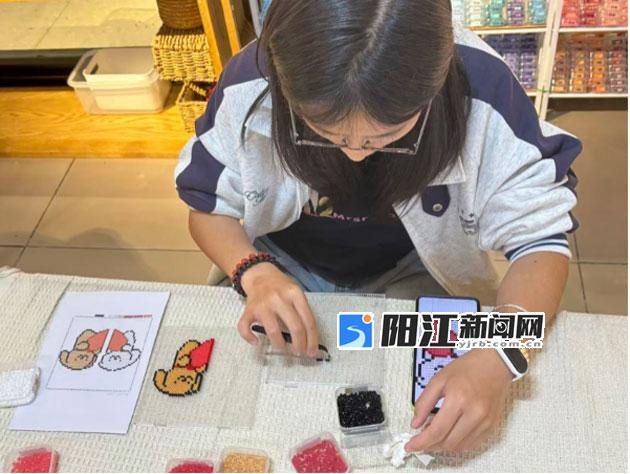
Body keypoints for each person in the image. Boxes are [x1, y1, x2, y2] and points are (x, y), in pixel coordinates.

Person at [174, 0, 581, 454]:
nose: (355, 153)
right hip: (280, 262)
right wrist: (253, 269)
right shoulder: (252, 80)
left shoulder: (485, 89)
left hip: (413, 268)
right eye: (323, 129)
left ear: (434, 87)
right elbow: (206, 206)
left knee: (412, 398)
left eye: (386, 135)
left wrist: (502, 353)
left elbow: (542, 243)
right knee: (240, 401)